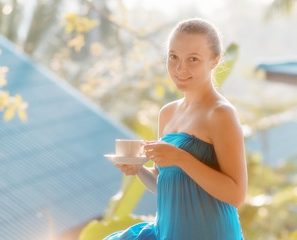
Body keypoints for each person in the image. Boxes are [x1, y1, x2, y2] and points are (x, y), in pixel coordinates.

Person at [104, 18, 247, 240]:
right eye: (173, 57)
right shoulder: (167, 113)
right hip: (169, 232)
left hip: (210, 233)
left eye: (193, 59)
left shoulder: (220, 114)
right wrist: (138, 169)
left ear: (215, 61)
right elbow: (168, 185)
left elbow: (236, 195)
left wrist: (181, 158)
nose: (180, 68)